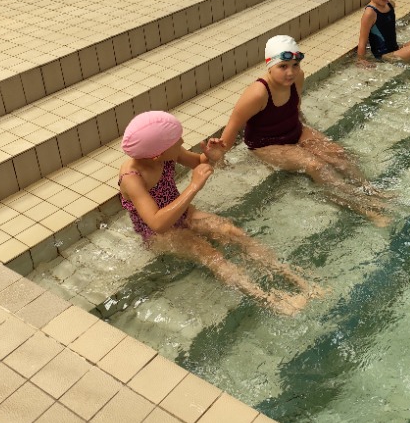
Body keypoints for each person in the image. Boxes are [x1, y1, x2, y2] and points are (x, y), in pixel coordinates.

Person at [117, 111, 313, 315]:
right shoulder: (132, 177)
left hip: (184, 212)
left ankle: (297, 280)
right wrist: (193, 186)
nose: (182, 141)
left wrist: (211, 157)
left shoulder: (165, 151)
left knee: (231, 231)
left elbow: (198, 162)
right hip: (159, 234)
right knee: (211, 254)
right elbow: (157, 223)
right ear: (157, 155)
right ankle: (271, 301)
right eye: (177, 141)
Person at [209, 35, 390, 226]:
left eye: (295, 65)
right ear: (269, 66)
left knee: (339, 154)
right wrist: (219, 159)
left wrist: (309, 138)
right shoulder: (257, 94)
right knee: (316, 166)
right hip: (266, 144)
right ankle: (365, 208)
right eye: (283, 66)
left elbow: (295, 108)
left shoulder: (297, 78)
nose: (290, 72)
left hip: (295, 130)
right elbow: (231, 130)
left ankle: (371, 190)